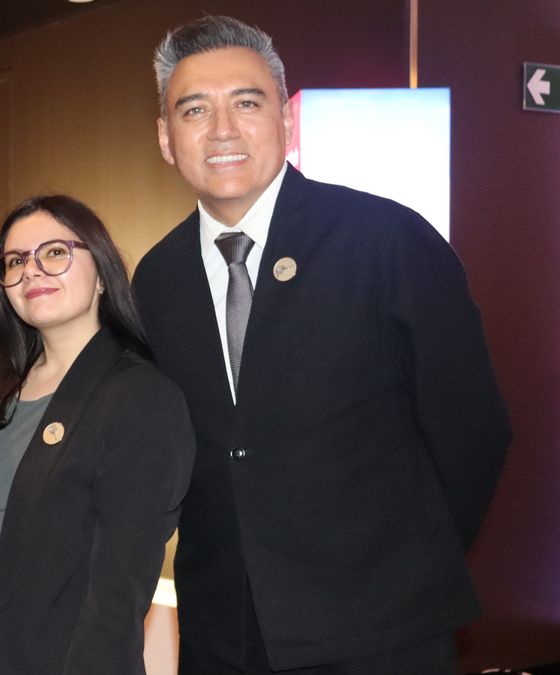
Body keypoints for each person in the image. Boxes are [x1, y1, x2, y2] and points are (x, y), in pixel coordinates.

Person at [132, 15, 512, 674]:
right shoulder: (156, 277)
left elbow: (471, 428)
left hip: (380, 629)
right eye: (195, 110)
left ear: (284, 116)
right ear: (167, 139)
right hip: (226, 635)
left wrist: (401, 567)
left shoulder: (385, 239)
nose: (222, 129)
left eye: (246, 103)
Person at [0, 195, 195, 674]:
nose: (32, 271)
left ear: (102, 272)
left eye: (55, 253)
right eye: (15, 261)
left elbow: (117, 595)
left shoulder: (141, 398)